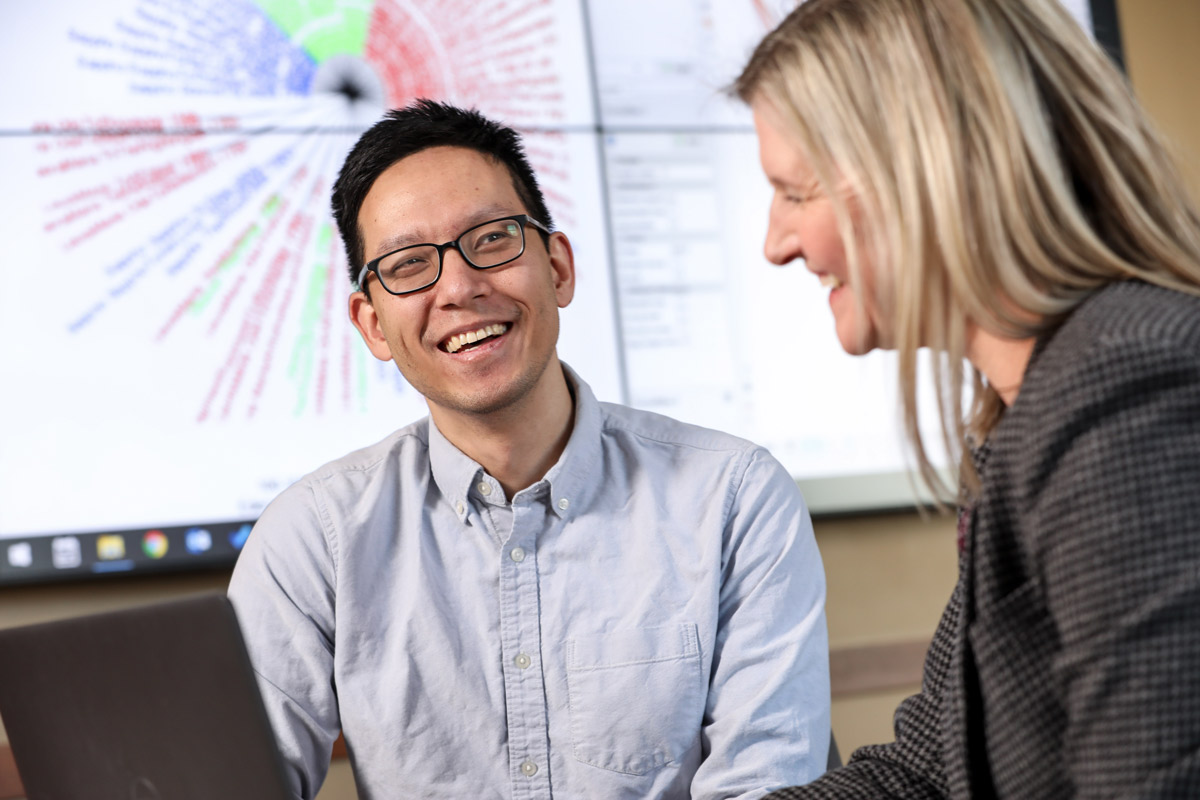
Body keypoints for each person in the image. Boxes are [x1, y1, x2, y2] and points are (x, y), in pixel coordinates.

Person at [228, 99, 830, 800]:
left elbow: (766, 786)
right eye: (409, 264)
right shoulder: (314, 538)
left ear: (558, 267)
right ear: (374, 326)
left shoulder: (734, 499)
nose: (458, 287)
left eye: (490, 240)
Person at [733, 0, 1200, 797]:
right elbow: (930, 770)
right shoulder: (1029, 411)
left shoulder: (1124, 392)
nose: (776, 243)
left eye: (794, 193)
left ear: (916, 170)